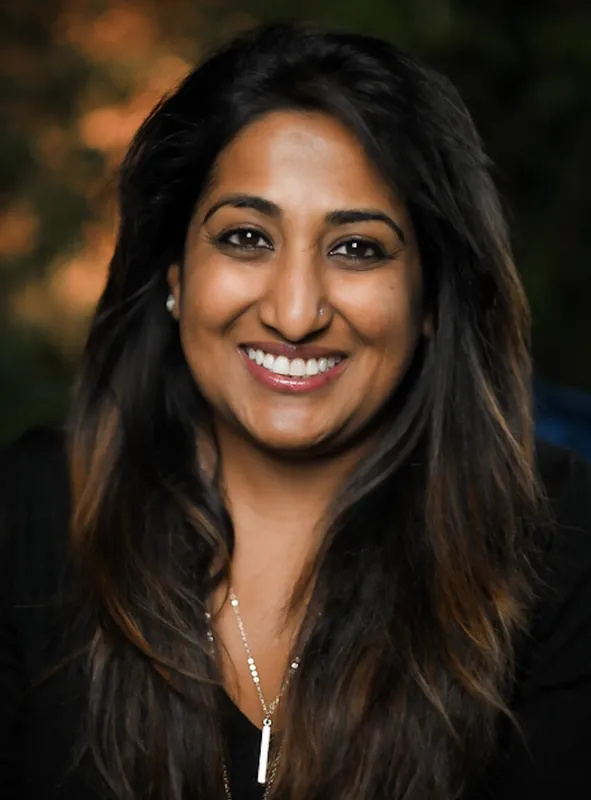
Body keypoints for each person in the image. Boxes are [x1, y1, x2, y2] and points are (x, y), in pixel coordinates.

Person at [1, 20, 591, 800]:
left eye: (356, 248)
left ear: (430, 301)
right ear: (174, 272)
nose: (294, 311)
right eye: (246, 237)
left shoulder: (562, 549)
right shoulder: (28, 514)